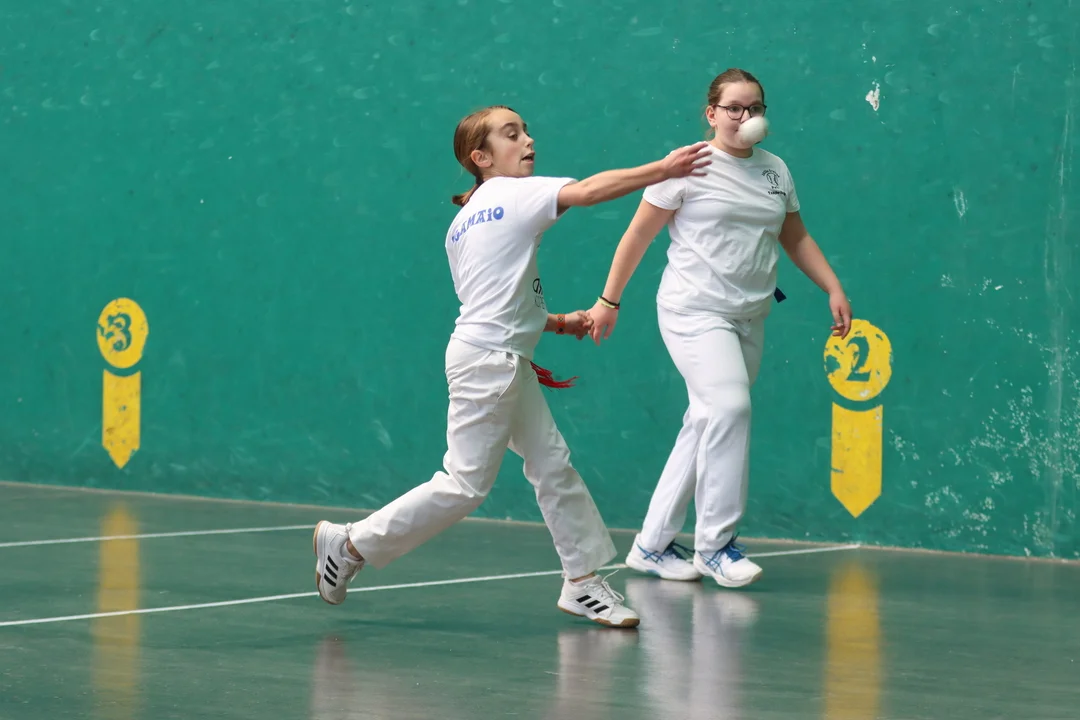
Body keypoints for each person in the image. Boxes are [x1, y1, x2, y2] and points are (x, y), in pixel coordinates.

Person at [312, 104, 712, 628]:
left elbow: (497, 300)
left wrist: (559, 322)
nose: (528, 140)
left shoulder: (461, 223)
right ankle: (350, 544)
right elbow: (589, 192)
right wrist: (663, 169)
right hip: (490, 364)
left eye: (525, 131)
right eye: (511, 134)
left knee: (552, 464)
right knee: (464, 484)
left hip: (495, 357)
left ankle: (582, 581)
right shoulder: (511, 192)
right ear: (481, 158)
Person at [586, 69, 852, 589]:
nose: (745, 117)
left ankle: (651, 544)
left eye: (755, 107)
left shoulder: (775, 170)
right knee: (730, 408)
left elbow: (795, 236)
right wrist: (608, 300)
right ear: (711, 113)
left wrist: (832, 286)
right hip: (693, 311)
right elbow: (637, 235)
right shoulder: (685, 165)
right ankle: (715, 547)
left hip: (750, 315)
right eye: (734, 107)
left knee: (708, 419)